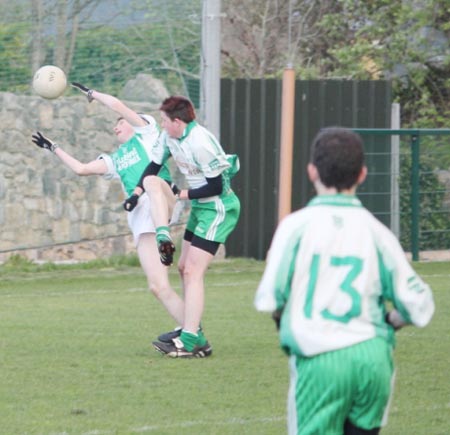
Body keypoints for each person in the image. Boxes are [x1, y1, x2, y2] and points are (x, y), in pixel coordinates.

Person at [254, 127, 435, 435]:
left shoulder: (295, 227)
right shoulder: (378, 233)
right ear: (362, 174)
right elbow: (419, 305)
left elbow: (271, 298)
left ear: (312, 171)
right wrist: (390, 320)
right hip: (372, 358)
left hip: (320, 359)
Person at [31, 83, 186, 335]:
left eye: (120, 122)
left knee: (151, 181)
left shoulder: (146, 135)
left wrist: (93, 94)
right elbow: (81, 169)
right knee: (158, 286)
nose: (116, 126)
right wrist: (53, 147)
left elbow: (117, 105)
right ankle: (193, 332)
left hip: (161, 201)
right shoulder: (115, 159)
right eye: (115, 124)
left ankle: (164, 236)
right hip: (140, 218)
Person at [124, 96, 241, 358]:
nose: (162, 125)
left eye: (165, 121)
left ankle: (190, 340)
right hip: (201, 208)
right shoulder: (170, 138)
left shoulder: (200, 142)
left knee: (192, 272)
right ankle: (192, 331)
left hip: (220, 209)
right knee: (182, 268)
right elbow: (152, 167)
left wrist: (181, 194)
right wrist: (136, 193)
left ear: (177, 122)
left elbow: (217, 186)